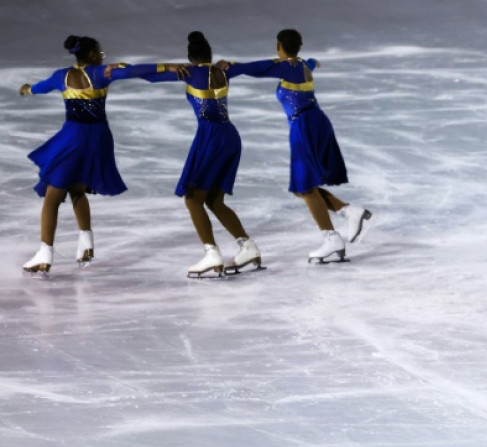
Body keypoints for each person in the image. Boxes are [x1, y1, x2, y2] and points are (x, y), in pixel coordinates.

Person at [217, 28, 371, 264]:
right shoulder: (300, 64)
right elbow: (302, 62)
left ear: (279, 46)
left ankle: (332, 236)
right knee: (301, 187)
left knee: (304, 186)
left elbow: (255, 68)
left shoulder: (288, 67)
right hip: (310, 123)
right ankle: (348, 212)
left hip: (306, 126)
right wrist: (313, 61)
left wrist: (229, 66)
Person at [115, 32, 262, 277]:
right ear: (209, 55)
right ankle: (248, 247)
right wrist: (236, 64)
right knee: (214, 200)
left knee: (193, 199)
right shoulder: (223, 71)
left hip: (210, 138)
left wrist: (165, 66)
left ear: (190, 57)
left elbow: (143, 75)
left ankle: (211, 254)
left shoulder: (189, 72)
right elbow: (259, 66)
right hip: (230, 137)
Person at [19, 35, 156, 274]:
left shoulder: (61, 76)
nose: (103, 55)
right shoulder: (102, 73)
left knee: (52, 198)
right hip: (99, 139)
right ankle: (86, 241)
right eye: (100, 52)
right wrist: (171, 67)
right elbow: (136, 71)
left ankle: (45, 254)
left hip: (74, 138)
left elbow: (37, 88)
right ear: (92, 55)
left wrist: (26, 89)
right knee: (77, 189)